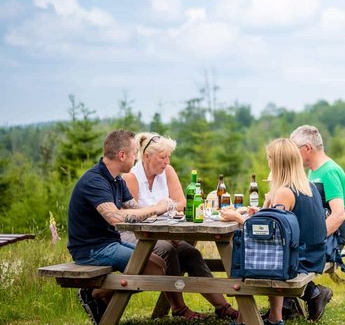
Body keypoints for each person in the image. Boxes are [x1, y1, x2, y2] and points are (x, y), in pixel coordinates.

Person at [120, 132, 238, 320]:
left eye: (168, 156)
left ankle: (223, 307)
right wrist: (162, 209)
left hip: (163, 232)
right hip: (134, 236)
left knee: (191, 253)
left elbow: (183, 203)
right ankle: (179, 308)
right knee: (168, 250)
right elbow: (131, 218)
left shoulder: (167, 171)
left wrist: (166, 211)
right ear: (147, 156)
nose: (167, 161)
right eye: (162, 157)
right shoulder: (131, 178)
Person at [66, 130, 173, 324]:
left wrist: (161, 210)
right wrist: (156, 209)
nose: (136, 158)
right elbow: (115, 217)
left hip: (109, 243)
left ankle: (103, 301)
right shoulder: (95, 180)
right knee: (153, 270)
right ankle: (93, 293)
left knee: (159, 265)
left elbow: (135, 209)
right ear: (122, 155)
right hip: (91, 249)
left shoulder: (116, 179)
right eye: (134, 153)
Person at [220, 138, 330, 324]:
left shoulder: (285, 192)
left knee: (247, 256)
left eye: (270, 158)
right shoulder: (307, 185)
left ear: (277, 162)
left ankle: (244, 318)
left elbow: (266, 233)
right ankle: (272, 316)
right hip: (314, 254)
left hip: (300, 259)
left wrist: (239, 219)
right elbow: (280, 223)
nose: (268, 161)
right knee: (275, 250)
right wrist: (264, 211)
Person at [290, 125, 345, 319]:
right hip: (319, 236)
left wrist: (313, 238)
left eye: (294, 148)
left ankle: (313, 294)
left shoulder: (328, 172)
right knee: (283, 251)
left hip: (331, 238)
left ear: (307, 148)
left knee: (288, 256)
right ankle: (287, 305)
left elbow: (338, 215)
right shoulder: (313, 172)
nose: (291, 154)